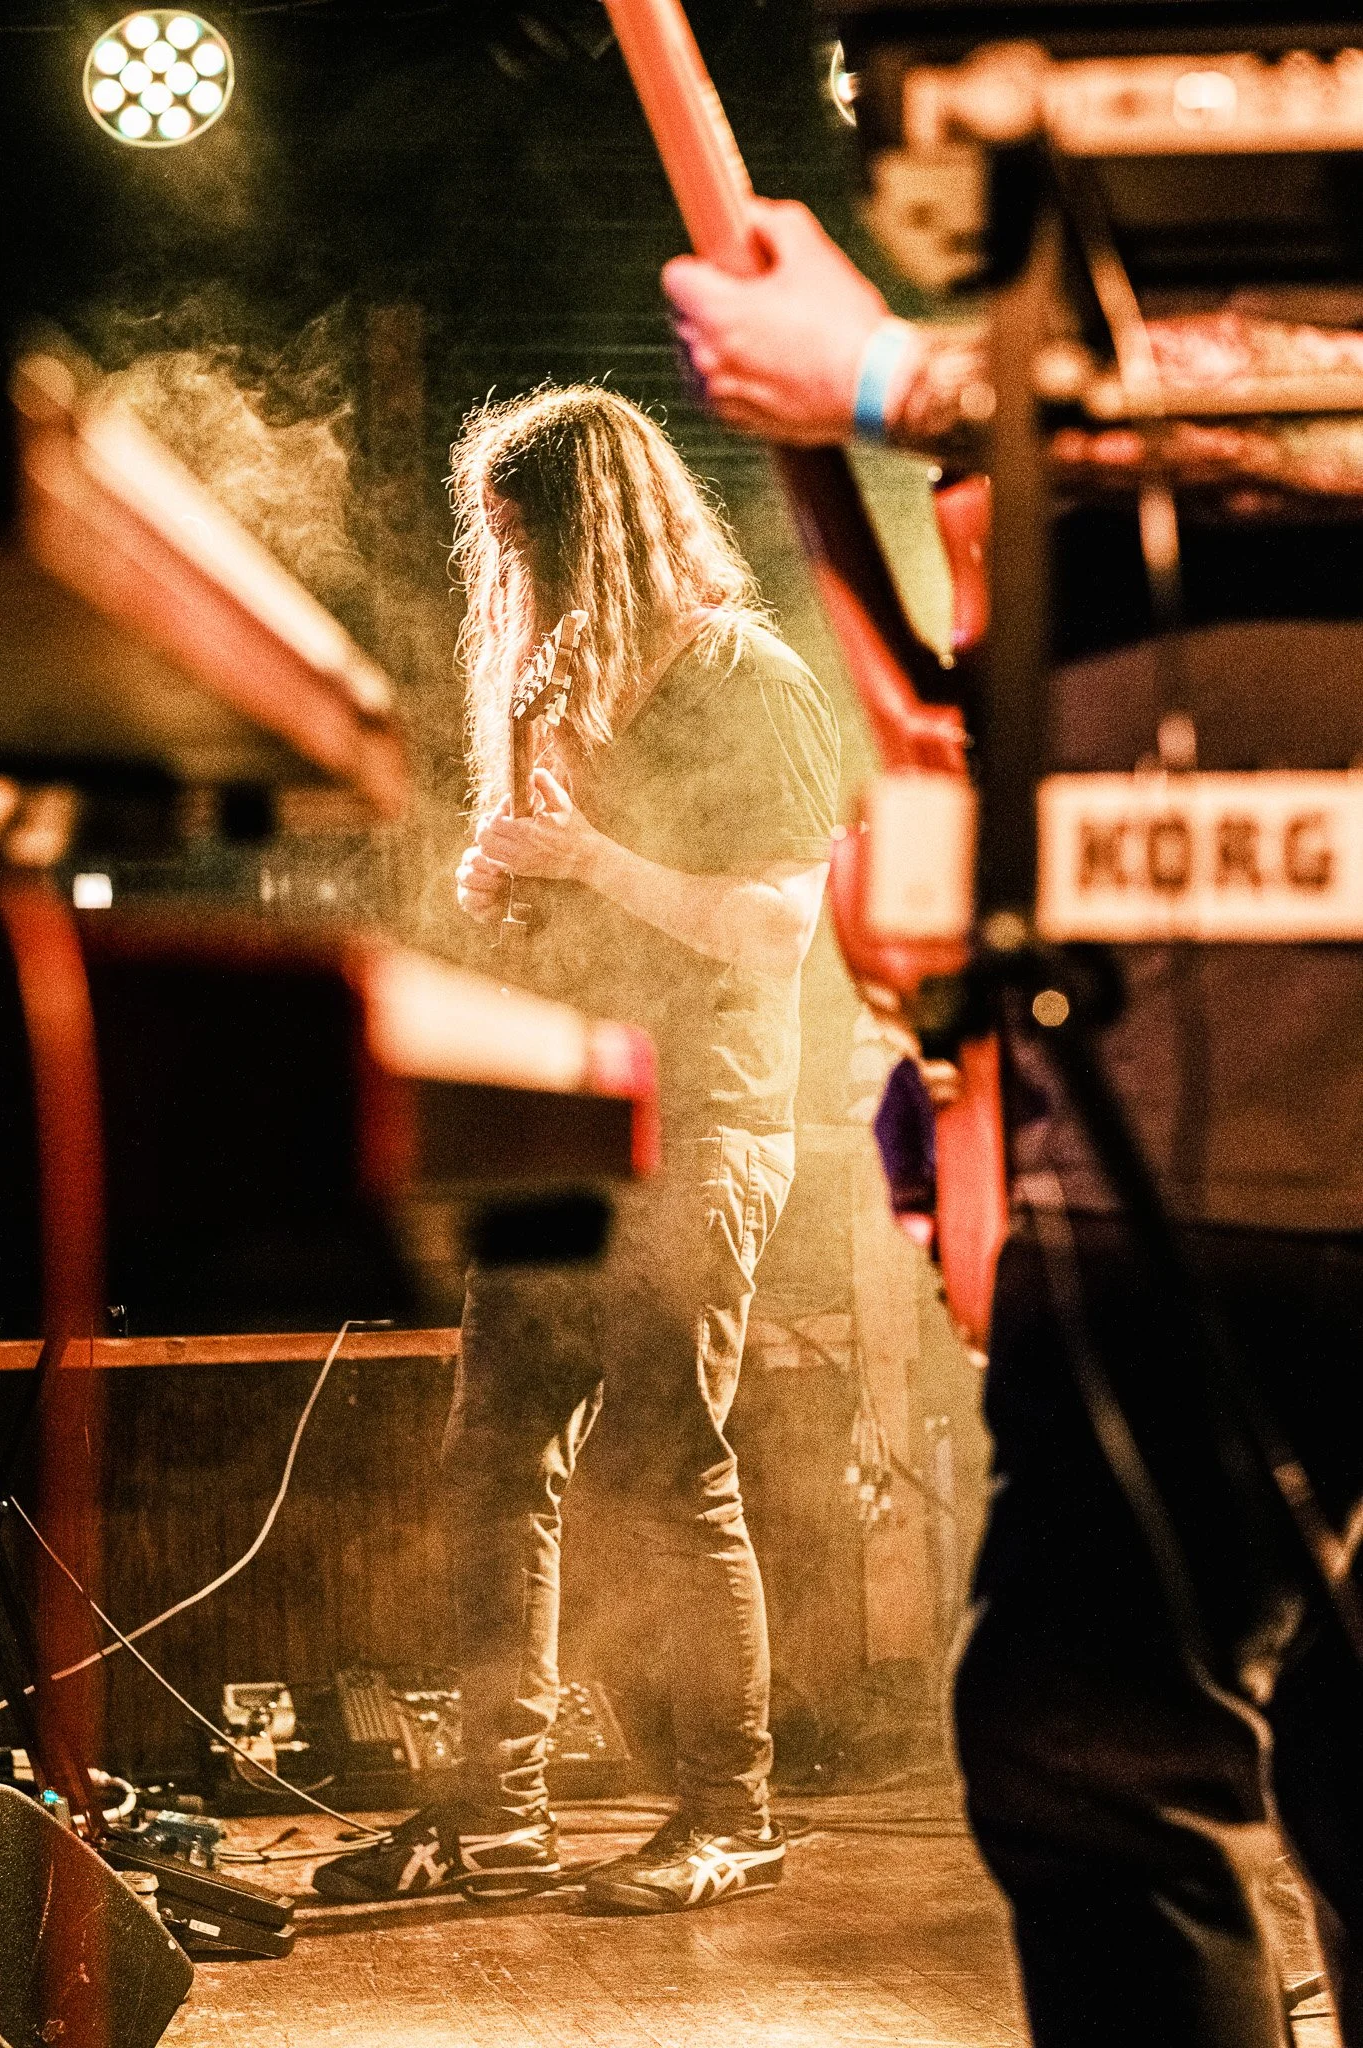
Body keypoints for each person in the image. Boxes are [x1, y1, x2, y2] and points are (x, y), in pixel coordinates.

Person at [663, 200, 1363, 2042]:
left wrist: (890, 378)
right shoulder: (1085, 277)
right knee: (1180, 1749)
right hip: (1157, 1086)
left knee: (1110, 1752)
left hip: (1266, 1096)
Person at [316, 384, 839, 1913]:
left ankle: (729, 1814)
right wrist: (509, 889)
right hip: (558, 1134)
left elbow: (775, 927)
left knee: (670, 1470)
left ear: (591, 527)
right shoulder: (567, 685)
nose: (509, 573)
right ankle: (495, 1815)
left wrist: (591, 859)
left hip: (701, 1123)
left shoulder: (744, 678)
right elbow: (581, 917)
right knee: (496, 1460)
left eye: (524, 540)